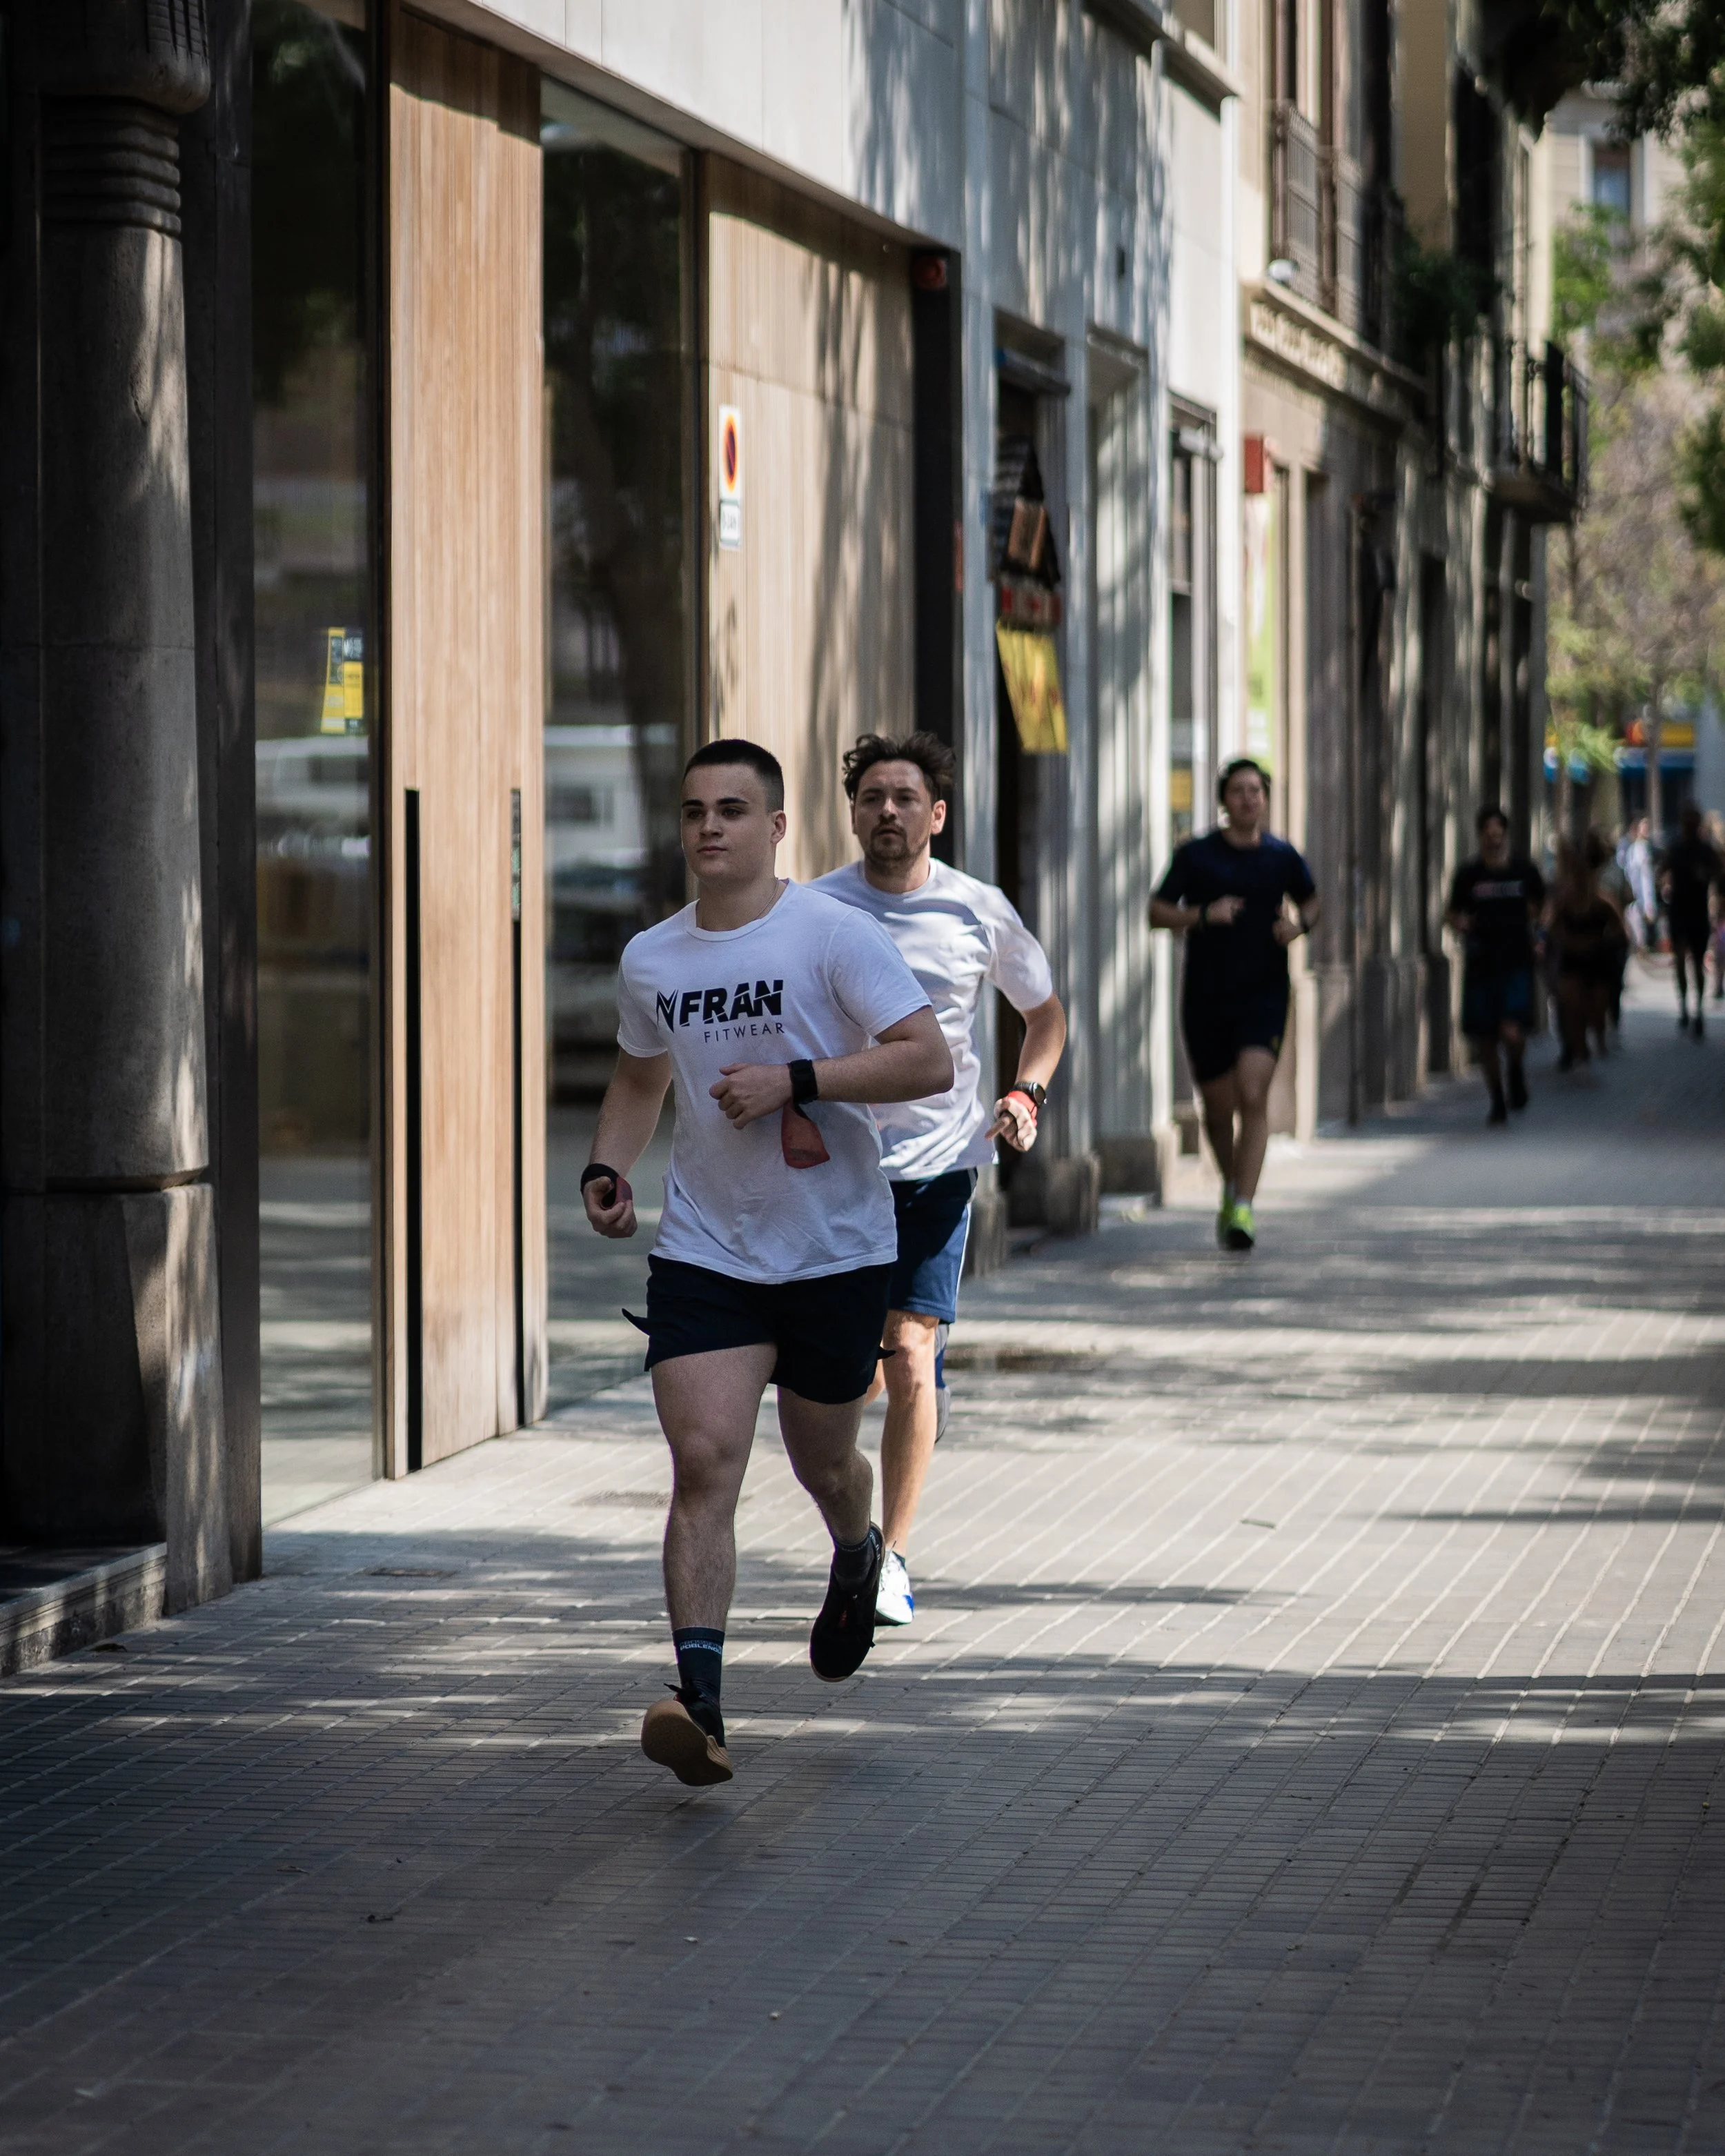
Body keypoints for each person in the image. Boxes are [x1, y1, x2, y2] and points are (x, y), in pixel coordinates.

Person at [584, 738, 954, 1787]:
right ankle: (698, 1700)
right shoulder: (655, 958)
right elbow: (639, 1078)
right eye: (696, 810)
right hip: (706, 1249)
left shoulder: (832, 934)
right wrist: (608, 1168)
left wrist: (799, 1079)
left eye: (734, 810)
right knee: (705, 1464)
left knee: (824, 1460)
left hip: (835, 1248)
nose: (710, 827)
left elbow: (927, 1058)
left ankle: (857, 1551)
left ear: (778, 827)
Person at [814, 731, 1066, 1629]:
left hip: (936, 1171)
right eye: (873, 796)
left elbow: (1044, 1015)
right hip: (835, 1177)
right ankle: (855, 1525)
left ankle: (893, 1555)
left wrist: (1025, 1092)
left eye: (905, 796)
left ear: (938, 814)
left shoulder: (975, 909)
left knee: (913, 1357)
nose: (889, 810)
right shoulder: (813, 910)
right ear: (853, 812)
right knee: (849, 1383)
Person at [1149, 758, 1320, 1250]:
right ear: (1225, 801)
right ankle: (1229, 1185)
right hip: (1206, 996)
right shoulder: (1197, 856)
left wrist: (1299, 927)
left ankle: (1244, 1203)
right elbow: (1157, 911)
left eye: (1256, 790)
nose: (1248, 798)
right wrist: (1204, 914)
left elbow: (1312, 900)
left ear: (1266, 799)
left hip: (1264, 994)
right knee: (1219, 1110)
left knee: (1253, 1093)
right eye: (1239, 791)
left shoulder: (1282, 856)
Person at [1446, 807, 1546, 1124]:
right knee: (1486, 1039)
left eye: (1498, 835)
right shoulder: (1469, 875)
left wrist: (1540, 933)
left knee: (1512, 1032)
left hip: (1516, 961)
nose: (1494, 841)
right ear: (1480, 837)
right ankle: (1498, 1100)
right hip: (1480, 964)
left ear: (1505, 836)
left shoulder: (1523, 871)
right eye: (1488, 836)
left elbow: (1545, 903)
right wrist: (1460, 922)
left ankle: (1515, 1070)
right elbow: (1451, 913)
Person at [1547, 835, 1624, 1071]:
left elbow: (1621, 931)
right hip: (1572, 960)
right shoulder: (1564, 900)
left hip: (1598, 960)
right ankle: (1579, 1050)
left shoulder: (1604, 901)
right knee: (1571, 1006)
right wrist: (1569, 941)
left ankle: (1598, 1035)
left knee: (1597, 1010)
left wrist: (1602, 942)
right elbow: (1553, 927)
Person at [1658, 801, 1722, 1040]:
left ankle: (1696, 1010)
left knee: (1696, 962)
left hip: (1695, 912)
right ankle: (1687, 1006)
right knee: (1683, 961)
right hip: (1681, 911)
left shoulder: (1705, 851)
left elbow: (1718, 874)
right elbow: (1662, 872)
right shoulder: (1677, 849)